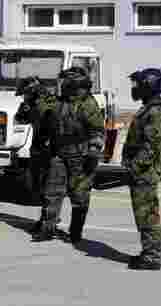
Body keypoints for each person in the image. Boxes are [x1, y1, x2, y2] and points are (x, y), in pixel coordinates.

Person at [32, 66, 105, 243]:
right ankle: (47, 228)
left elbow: (97, 130)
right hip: (58, 153)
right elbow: (47, 122)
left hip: (80, 155)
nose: (60, 85)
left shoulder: (87, 104)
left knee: (79, 195)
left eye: (64, 82)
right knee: (52, 192)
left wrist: (94, 151)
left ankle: (75, 231)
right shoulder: (59, 102)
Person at [122, 68, 161, 270]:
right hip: (141, 171)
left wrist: (134, 166)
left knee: (147, 215)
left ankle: (152, 257)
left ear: (149, 86)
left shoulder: (155, 111)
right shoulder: (149, 109)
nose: (135, 89)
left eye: (138, 85)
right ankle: (148, 252)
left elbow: (151, 145)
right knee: (143, 214)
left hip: (145, 172)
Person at [15, 76, 53, 233]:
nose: (24, 97)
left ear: (33, 91)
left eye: (26, 94)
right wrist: (24, 109)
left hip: (49, 150)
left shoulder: (49, 103)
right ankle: (46, 218)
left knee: (49, 188)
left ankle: (48, 221)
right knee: (35, 186)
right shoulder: (31, 104)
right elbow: (20, 120)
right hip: (37, 148)